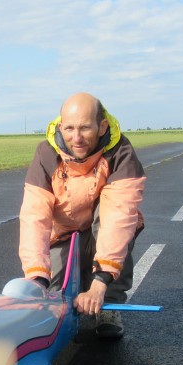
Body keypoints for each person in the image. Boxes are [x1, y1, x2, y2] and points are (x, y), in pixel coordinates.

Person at [18, 92, 146, 339]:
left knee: (122, 223)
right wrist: (36, 279)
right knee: (53, 296)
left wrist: (100, 283)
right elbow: (34, 217)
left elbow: (117, 217)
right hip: (63, 233)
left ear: (102, 127)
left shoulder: (121, 152)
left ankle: (109, 304)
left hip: (102, 229)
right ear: (60, 126)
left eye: (85, 128)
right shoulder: (45, 154)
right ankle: (70, 283)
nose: (76, 138)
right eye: (69, 128)